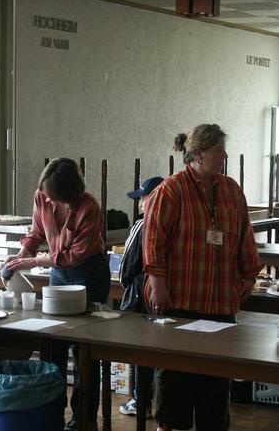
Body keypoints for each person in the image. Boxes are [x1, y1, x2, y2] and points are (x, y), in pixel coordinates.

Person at [143, 123, 262, 431]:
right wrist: (158, 287)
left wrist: (250, 276)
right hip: (180, 301)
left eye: (224, 149)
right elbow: (153, 243)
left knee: (215, 384)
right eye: (218, 150)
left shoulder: (232, 190)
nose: (224, 156)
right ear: (197, 154)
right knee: (174, 380)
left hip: (220, 301)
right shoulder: (170, 190)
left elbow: (244, 236)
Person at [5, 157, 110, 431]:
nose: (48, 199)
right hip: (58, 272)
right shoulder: (42, 196)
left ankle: (83, 418)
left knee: (84, 347)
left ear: (69, 191)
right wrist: (22, 252)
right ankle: (52, 412)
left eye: (54, 195)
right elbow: (37, 232)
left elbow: (74, 256)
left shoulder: (89, 207)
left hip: (88, 272)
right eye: (46, 194)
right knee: (54, 343)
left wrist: (34, 261)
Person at [118, 175, 163, 419]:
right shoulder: (174, 223)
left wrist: (128, 285)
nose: (140, 203)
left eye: (143, 198)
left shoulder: (142, 225)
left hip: (140, 294)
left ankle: (141, 401)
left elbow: (127, 267)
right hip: (165, 295)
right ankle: (160, 404)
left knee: (140, 351)